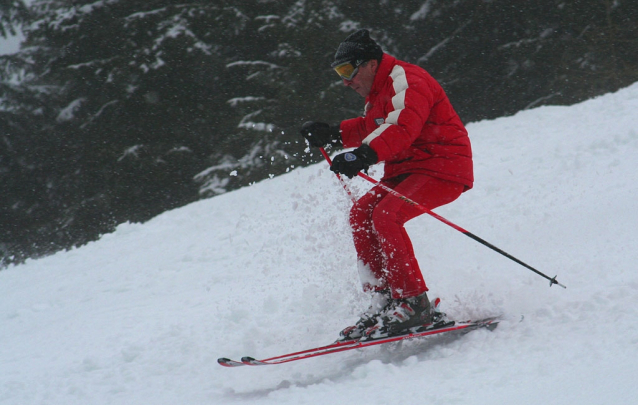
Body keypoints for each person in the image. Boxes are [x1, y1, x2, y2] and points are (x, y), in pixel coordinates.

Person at [300, 29, 473, 340]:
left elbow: (401, 126)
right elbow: (372, 125)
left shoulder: (407, 79)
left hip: (441, 167)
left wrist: (363, 155)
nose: (345, 81)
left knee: (386, 215)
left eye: (347, 71)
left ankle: (414, 302)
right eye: (339, 73)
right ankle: (384, 299)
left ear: (368, 64)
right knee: (360, 215)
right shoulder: (379, 94)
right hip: (406, 170)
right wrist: (333, 133)